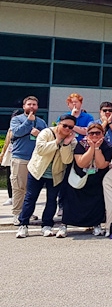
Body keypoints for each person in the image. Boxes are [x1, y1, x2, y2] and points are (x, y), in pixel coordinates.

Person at [15, 115, 76, 239]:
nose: (67, 129)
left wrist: (65, 145)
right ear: (59, 123)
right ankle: (23, 224)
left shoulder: (72, 140)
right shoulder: (46, 133)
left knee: (51, 199)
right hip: (37, 170)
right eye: (64, 125)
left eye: (70, 127)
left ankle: (47, 225)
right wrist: (57, 141)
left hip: (56, 174)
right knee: (30, 198)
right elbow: (41, 150)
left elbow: (67, 160)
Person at [61, 123, 112, 237]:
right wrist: (91, 149)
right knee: (71, 202)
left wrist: (97, 148)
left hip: (97, 178)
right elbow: (81, 163)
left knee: (96, 203)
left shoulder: (107, 146)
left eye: (97, 133)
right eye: (91, 133)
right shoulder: (81, 145)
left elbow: (102, 165)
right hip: (79, 177)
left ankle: (96, 225)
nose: (94, 135)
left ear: (102, 134)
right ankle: (64, 225)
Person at [9, 96, 48, 225]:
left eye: (34, 104)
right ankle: (17, 213)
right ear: (24, 106)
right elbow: (17, 132)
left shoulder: (41, 122)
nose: (32, 107)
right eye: (29, 104)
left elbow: (47, 138)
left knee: (31, 189)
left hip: (36, 160)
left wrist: (39, 134)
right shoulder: (17, 119)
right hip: (20, 158)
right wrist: (28, 122)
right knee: (18, 187)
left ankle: (27, 213)